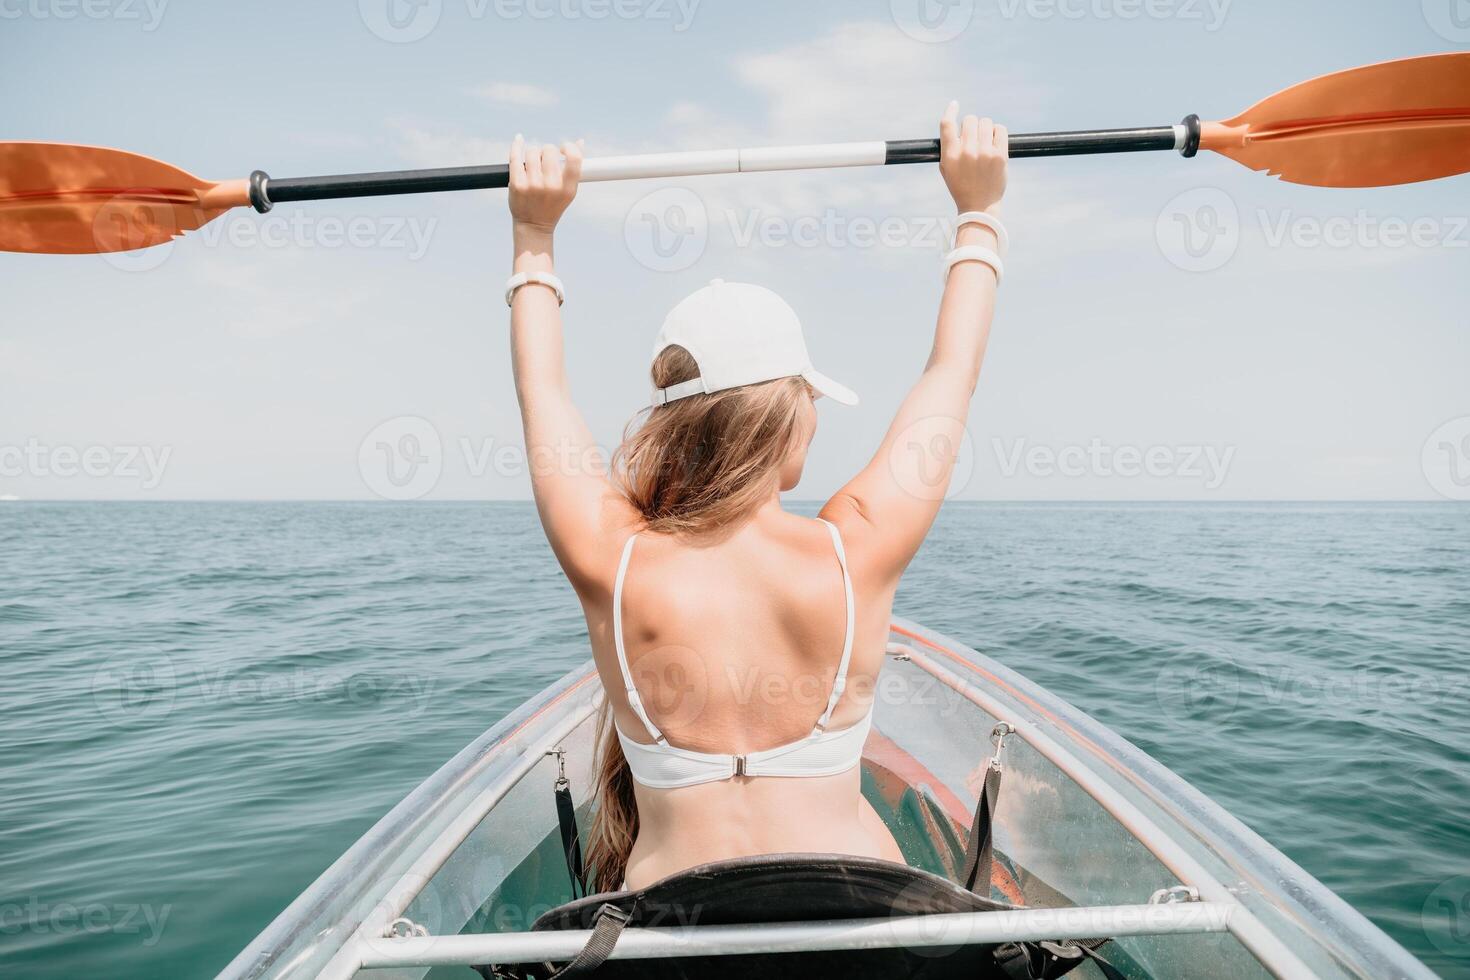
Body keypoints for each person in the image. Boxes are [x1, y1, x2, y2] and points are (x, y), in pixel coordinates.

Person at [504, 102, 1008, 892]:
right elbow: (952, 375)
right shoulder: (856, 550)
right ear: (791, 413)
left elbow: (542, 390)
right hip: (863, 927)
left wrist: (534, 235)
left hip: (675, 943)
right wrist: (978, 211)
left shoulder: (613, 559)